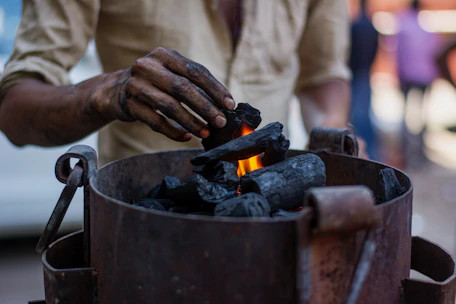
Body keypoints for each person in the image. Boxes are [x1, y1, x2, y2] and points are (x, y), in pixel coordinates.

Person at [0, 0, 351, 166]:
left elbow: (322, 76)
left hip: (272, 218)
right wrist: (107, 93)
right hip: (143, 221)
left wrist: (331, 135)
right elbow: (14, 110)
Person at [395, 0, 442, 169]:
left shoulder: (403, 26)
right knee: (422, 116)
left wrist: (398, 74)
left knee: (405, 115)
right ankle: (420, 153)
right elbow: (435, 52)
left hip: (407, 75)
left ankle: (406, 153)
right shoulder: (426, 29)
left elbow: (397, 52)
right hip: (424, 76)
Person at [348, 0, 379, 160]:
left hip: (356, 75)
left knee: (358, 118)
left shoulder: (355, 27)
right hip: (364, 74)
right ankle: (370, 154)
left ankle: (363, 153)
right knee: (365, 116)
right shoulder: (372, 28)